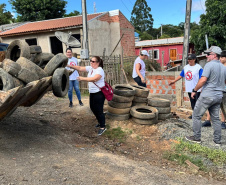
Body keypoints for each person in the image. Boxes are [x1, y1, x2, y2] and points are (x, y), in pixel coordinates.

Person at [185, 46, 226, 146]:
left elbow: (203, 80)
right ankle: (217, 141)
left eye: (208, 54)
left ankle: (196, 137)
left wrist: (194, 90)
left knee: (196, 115)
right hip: (218, 96)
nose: (206, 56)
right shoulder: (223, 67)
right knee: (216, 118)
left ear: (214, 55)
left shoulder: (209, 65)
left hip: (208, 95)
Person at [67, 56, 106, 136]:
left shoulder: (100, 70)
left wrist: (82, 78)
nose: (91, 62)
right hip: (92, 92)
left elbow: (94, 79)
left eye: (93, 61)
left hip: (99, 93)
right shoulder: (91, 68)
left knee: (99, 110)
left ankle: (103, 127)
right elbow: (80, 68)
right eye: (91, 61)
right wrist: (69, 65)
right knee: (92, 108)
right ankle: (99, 121)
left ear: (98, 63)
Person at [169, 54, 203, 119]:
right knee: (192, 102)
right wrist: (173, 81)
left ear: (194, 60)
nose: (189, 61)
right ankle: (194, 114)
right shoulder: (186, 67)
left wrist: (201, 88)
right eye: (188, 60)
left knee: (197, 102)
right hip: (189, 88)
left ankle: (198, 115)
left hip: (196, 88)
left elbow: (202, 78)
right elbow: (181, 75)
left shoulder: (198, 68)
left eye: (190, 59)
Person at [202, 50, 226, 129]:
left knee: (223, 107)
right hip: (215, 90)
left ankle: (223, 121)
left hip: (224, 90)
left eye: (222, 57)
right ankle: (208, 120)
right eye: (220, 57)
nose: (220, 59)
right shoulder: (217, 66)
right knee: (210, 105)